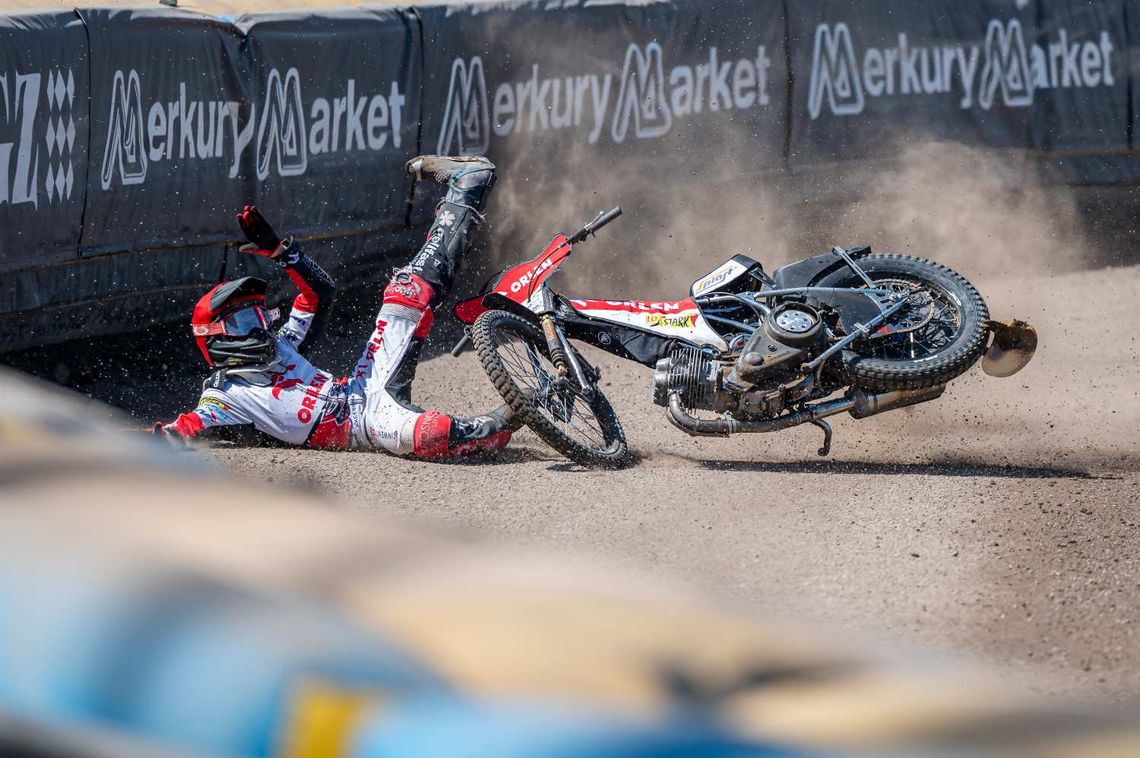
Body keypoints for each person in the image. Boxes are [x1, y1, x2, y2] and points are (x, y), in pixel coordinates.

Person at [154, 155, 516, 459]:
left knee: (404, 289)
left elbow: (319, 293)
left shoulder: (282, 344)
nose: (261, 325)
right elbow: (179, 429)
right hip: (364, 426)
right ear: (216, 337)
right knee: (428, 433)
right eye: (246, 320)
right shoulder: (222, 397)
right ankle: (519, 412)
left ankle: (468, 185)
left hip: (362, 385)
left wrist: (285, 255)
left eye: (260, 314)